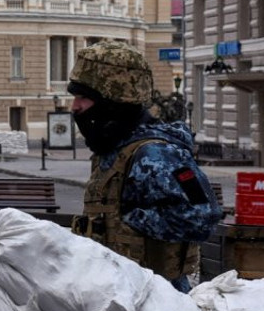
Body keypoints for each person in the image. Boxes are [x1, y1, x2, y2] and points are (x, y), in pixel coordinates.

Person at [67, 40, 222, 292]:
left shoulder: (156, 153)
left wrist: (129, 221)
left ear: (112, 102)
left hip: (157, 298)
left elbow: (201, 217)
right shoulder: (115, 150)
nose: (75, 106)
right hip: (121, 292)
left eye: (83, 97)